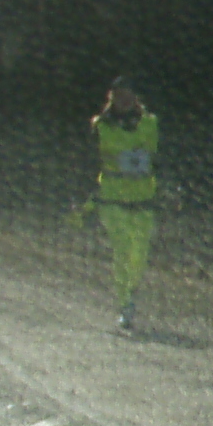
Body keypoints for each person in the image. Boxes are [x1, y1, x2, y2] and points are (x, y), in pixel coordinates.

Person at [76, 77, 159, 332]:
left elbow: (161, 159)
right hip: (111, 199)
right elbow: (87, 162)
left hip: (143, 200)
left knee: (139, 255)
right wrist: (85, 197)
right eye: (119, 96)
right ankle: (125, 304)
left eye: (128, 95)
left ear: (136, 99)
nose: (124, 100)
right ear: (111, 98)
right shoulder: (100, 126)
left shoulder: (150, 124)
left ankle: (131, 290)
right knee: (122, 249)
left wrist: (171, 187)